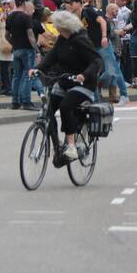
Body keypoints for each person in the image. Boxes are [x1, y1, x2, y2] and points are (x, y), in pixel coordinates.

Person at [31, 9, 103, 161]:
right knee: (48, 109)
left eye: (56, 25)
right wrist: (37, 69)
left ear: (63, 27)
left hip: (83, 84)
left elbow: (97, 61)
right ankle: (57, 147)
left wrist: (85, 74)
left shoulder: (81, 40)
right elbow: (52, 56)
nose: (54, 27)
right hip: (65, 81)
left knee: (65, 106)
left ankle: (71, 147)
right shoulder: (62, 39)